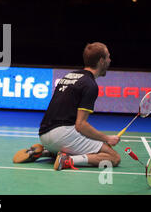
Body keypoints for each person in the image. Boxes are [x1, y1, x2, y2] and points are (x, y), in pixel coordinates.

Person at [13, 42, 121, 170]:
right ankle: (68, 160)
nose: (110, 60)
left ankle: (45, 152)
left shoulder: (69, 76)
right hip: (62, 136)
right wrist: (107, 138)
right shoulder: (90, 85)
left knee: (84, 140)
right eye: (108, 57)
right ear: (101, 61)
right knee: (113, 157)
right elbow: (81, 125)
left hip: (44, 133)